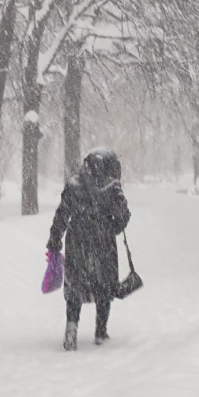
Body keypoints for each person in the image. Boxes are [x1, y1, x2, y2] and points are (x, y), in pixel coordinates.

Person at [46, 148, 131, 351]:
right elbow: (122, 217)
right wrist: (113, 227)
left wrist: (55, 239)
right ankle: (101, 331)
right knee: (105, 284)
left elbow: (61, 215)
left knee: (75, 287)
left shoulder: (74, 185)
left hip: (77, 242)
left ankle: (71, 330)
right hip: (103, 243)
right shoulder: (112, 188)